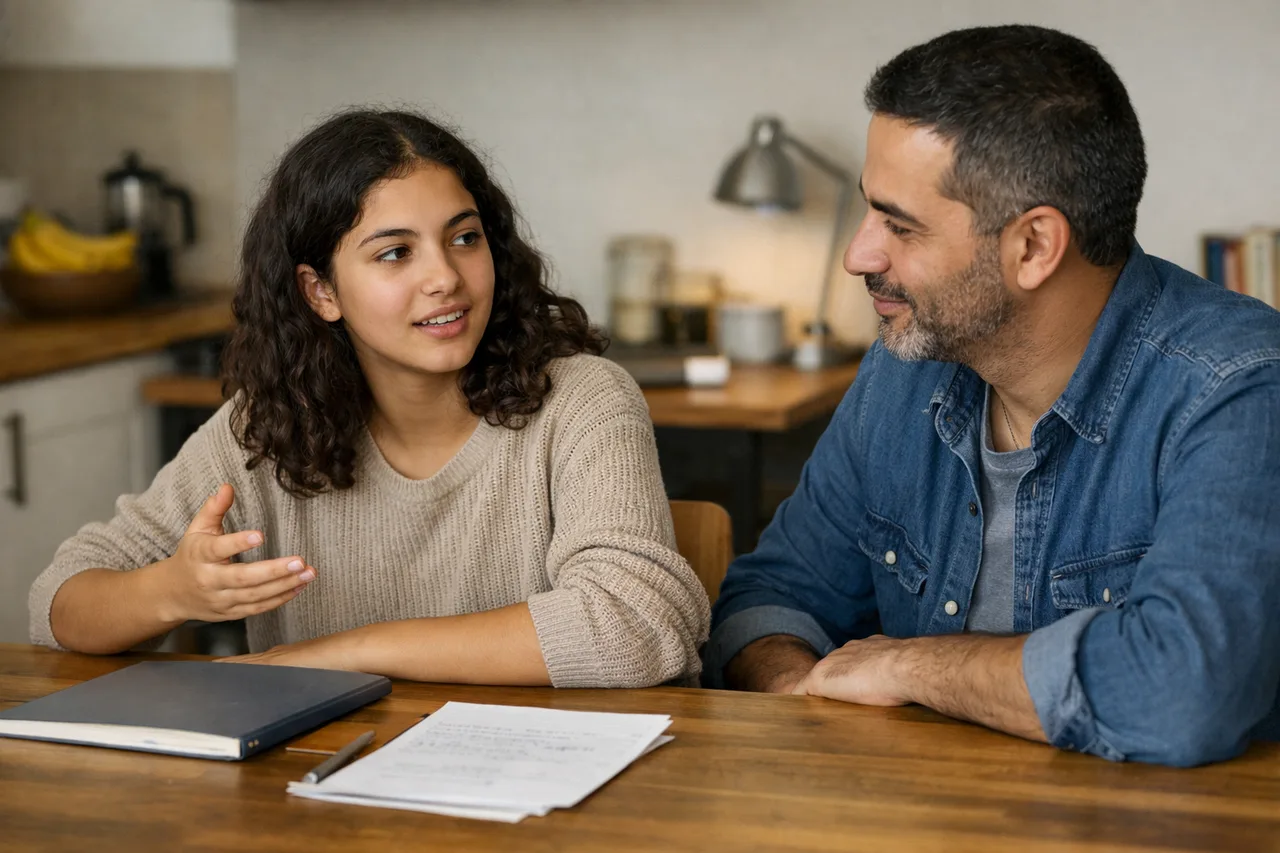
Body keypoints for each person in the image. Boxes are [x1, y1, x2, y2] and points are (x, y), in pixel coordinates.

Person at [704, 25, 1280, 766]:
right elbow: (770, 598)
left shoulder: (1237, 389)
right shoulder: (905, 366)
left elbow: (1179, 692)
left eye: (900, 225)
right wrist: (798, 689)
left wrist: (907, 666)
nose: (858, 254)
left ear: (1033, 246)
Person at [29, 108, 709, 688]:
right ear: (320, 291)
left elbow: (635, 623)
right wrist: (171, 591)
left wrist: (344, 653)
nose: (445, 277)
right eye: (394, 253)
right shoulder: (267, 427)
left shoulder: (583, 400)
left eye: (464, 238)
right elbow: (57, 603)